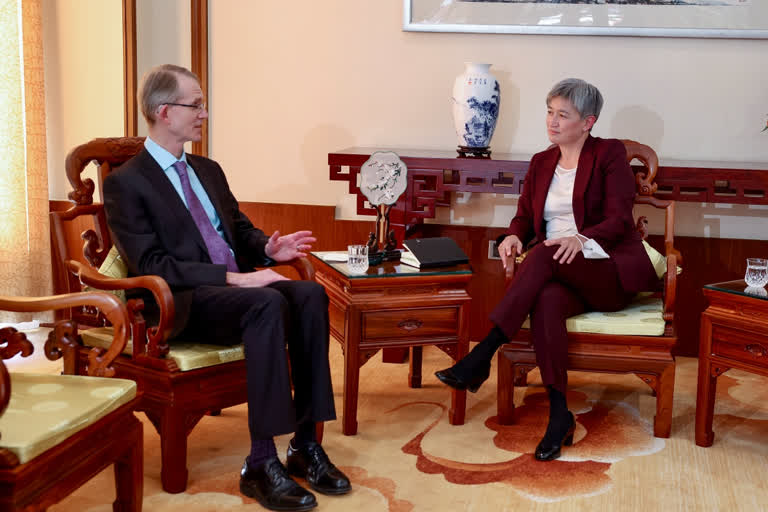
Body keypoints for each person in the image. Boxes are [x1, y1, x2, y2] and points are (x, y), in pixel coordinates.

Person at [103, 64, 350, 511]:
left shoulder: (208, 169)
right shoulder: (126, 182)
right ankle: (260, 461)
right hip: (181, 302)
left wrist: (267, 249)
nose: (204, 113)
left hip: (235, 292)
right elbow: (151, 264)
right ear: (164, 112)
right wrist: (234, 277)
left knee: (311, 295)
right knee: (265, 304)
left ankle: (305, 445)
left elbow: (237, 229)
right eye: (195, 105)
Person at [435, 78, 659, 462]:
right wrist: (512, 236)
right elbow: (523, 218)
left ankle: (483, 353)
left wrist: (580, 239)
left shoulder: (608, 154)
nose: (552, 122)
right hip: (558, 274)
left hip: (604, 272)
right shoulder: (541, 162)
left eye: (563, 115)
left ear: (587, 122)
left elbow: (620, 220)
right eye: (550, 112)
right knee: (548, 301)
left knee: (543, 256)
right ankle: (560, 415)